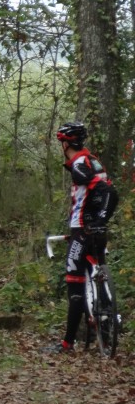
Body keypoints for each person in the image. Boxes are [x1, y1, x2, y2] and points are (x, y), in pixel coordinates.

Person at [47, 122, 119, 354]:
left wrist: (95, 219)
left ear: (66, 143)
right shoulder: (93, 161)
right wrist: (102, 220)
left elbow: (107, 191)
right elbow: (107, 190)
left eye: (62, 143)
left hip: (82, 230)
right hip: (97, 230)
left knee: (74, 283)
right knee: (98, 275)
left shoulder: (80, 165)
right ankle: (106, 328)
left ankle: (67, 343)